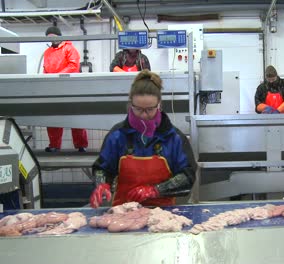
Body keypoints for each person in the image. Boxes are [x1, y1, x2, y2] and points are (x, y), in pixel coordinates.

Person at [89, 70, 196, 208]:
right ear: (130, 105)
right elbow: (102, 168)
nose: (144, 115)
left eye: (150, 109)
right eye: (138, 109)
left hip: (162, 213)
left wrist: (155, 190)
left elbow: (188, 176)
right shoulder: (118, 135)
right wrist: (101, 184)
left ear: (159, 105)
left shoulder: (174, 138)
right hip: (124, 210)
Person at [43, 26, 88, 152]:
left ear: (60, 36)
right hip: (53, 89)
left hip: (70, 88)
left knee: (76, 117)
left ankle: (81, 145)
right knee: (53, 117)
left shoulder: (69, 48)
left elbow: (73, 66)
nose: (52, 40)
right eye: (49, 38)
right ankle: (54, 145)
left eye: (54, 37)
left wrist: (58, 77)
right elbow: (45, 70)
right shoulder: (47, 52)